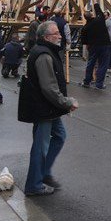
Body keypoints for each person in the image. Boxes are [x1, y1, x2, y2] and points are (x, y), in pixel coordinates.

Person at [23, 21, 79, 196]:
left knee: (60, 136)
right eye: (56, 33)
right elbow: (49, 87)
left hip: (49, 108)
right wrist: (66, 102)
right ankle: (34, 184)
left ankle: (43, 173)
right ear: (47, 37)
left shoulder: (47, 51)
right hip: (44, 109)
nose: (60, 36)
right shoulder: (44, 55)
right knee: (41, 146)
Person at [80, 3, 110, 90]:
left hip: (93, 47)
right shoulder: (99, 20)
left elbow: (84, 41)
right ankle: (99, 83)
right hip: (105, 45)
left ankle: (87, 81)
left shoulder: (85, 27)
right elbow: (100, 12)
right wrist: (96, 3)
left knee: (91, 64)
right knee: (103, 64)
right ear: (92, 15)